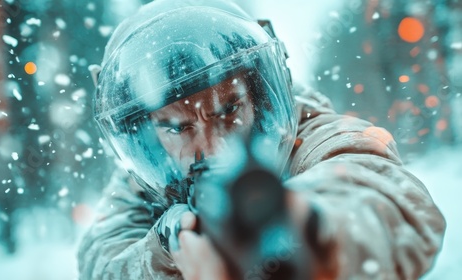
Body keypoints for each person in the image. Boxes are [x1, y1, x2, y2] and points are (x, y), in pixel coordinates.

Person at [78, 0, 446, 279]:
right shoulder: (146, 180)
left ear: (259, 97)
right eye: (177, 127)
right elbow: (100, 256)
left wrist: (309, 233)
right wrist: (167, 246)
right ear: (145, 136)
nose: (215, 146)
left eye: (229, 110)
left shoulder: (311, 131)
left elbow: (384, 196)